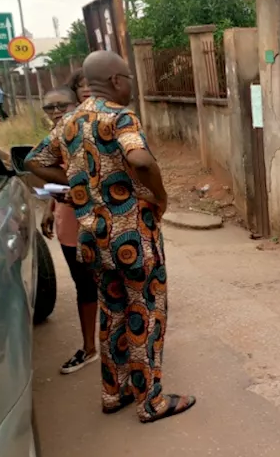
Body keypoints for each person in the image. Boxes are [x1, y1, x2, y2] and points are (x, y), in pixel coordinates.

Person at [25, 50, 195, 423]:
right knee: (147, 311)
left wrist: (76, 180)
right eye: (129, 78)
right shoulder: (120, 117)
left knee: (113, 312)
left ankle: (112, 392)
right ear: (117, 80)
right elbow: (140, 160)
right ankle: (151, 402)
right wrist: (160, 197)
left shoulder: (69, 120)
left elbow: (34, 161)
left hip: (93, 238)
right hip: (133, 235)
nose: (131, 84)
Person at [38, 86, 97, 375]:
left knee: (110, 282)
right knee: (83, 284)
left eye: (62, 105)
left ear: (77, 104)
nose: (56, 111)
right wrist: (50, 209)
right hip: (68, 221)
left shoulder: (92, 133)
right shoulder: (51, 140)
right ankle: (89, 348)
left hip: (97, 219)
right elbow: (50, 173)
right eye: (49, 107)